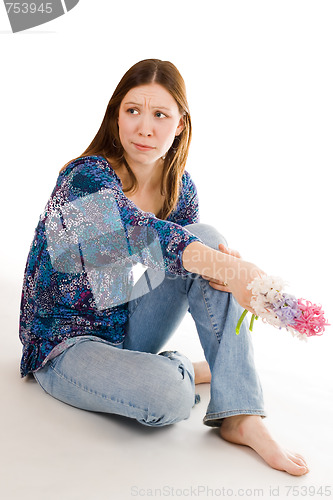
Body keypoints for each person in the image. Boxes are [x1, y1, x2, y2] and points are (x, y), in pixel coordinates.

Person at [19, 58, 308, 476]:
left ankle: (241, 415)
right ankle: (184, 371)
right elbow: (137, 234)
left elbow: (156, 264)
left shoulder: (179, 188)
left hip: (127, 323)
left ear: (180, 124)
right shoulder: (85, 176)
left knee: (206, 237)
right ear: (116, 115)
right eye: (133, 110)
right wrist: (233, 272)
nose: (145, 128)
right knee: (168, 397)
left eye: (160, 114)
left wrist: (221, 267)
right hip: (66, 345)